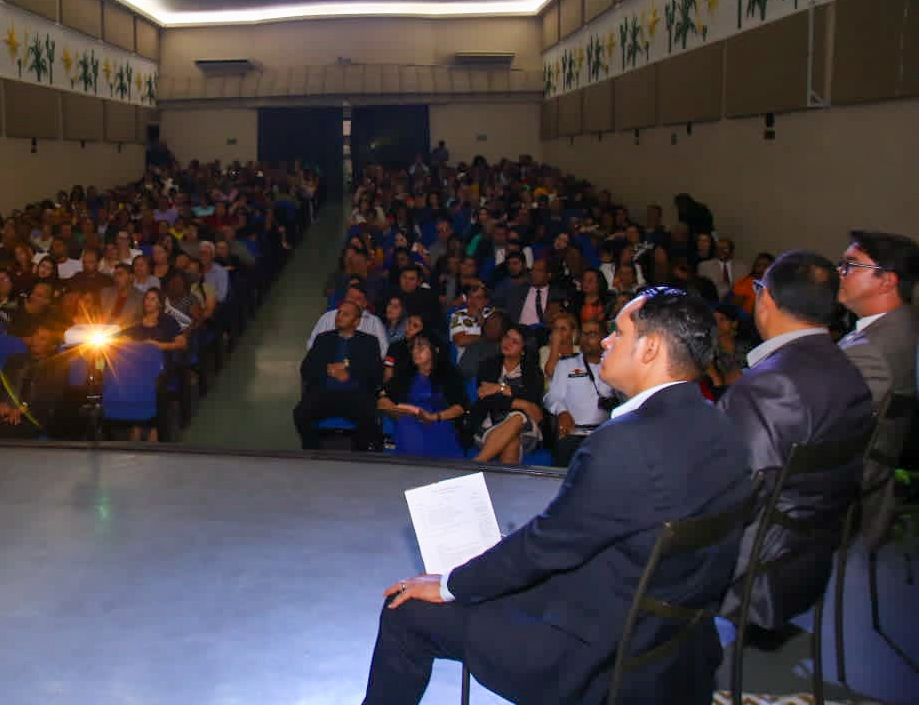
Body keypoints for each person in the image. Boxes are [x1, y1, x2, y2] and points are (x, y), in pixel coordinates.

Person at [365, 287, 753, 705]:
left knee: (404, 610)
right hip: (674, 644)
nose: (605, 341)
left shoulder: (623, 443)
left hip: (591, 653)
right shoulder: (725, 428)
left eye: (617, 333)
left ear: (650, 349)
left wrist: (450, 584)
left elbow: (543, 548)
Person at [716, 251, 872, 632]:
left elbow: (726, 496)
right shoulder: (848, 371)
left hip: (757, 571)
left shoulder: (769, 386)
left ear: (766, 299)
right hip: (811, 559)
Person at [835, 231, 919, 547]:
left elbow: (834, 424)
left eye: (851, 266)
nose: (840, 273)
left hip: (852, 483)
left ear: (887, 281)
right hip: (881, 467)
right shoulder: (905, 326)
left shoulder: (873, 347)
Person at [295, 301, 384, 451]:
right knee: (300, 414)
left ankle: (358, 453)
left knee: (369, 416)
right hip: (324, 394)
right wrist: (328, 369)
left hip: (355, 395)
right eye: (339, 312)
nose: (339, 316)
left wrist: (348, 370)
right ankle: (313, 450)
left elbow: (375, 371)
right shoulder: (323, 339)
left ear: (356, 322)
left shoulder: (369, 342)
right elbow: (306, 368)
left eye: (345, 314)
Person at [377, 336, 468, 458]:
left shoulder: (449, 374)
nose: (415, 351)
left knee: (436, 430)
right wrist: (401, 412)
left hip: (440, 419)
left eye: (421, 346)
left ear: (436, 350)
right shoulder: (405, 374)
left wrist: (433, 417)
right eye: (413, 347)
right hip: (409, 419)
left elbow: (461, 406)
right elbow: (382, 400)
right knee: (407, 424)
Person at [469, 324, 546, 464]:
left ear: (524, 349)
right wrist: (521, 403)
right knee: (511, 442)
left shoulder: (533, 371)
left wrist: (499, 388)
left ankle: (478, 463)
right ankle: (484, 466)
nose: (507, 343)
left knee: (517, 417)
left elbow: (532, 397)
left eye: (515, 341)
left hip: (526, 428)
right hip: (489, 423)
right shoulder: (488, 365)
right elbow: (486, 398)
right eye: (506, 337)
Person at [545, 319, 616, 467]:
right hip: (574, 433)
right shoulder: (566, 364)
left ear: (604, 338)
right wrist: (562, 412)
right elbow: (552, 397)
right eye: (584, 334)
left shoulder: (615, 366)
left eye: (592, 334)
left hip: (606, 434)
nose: (586, 339)